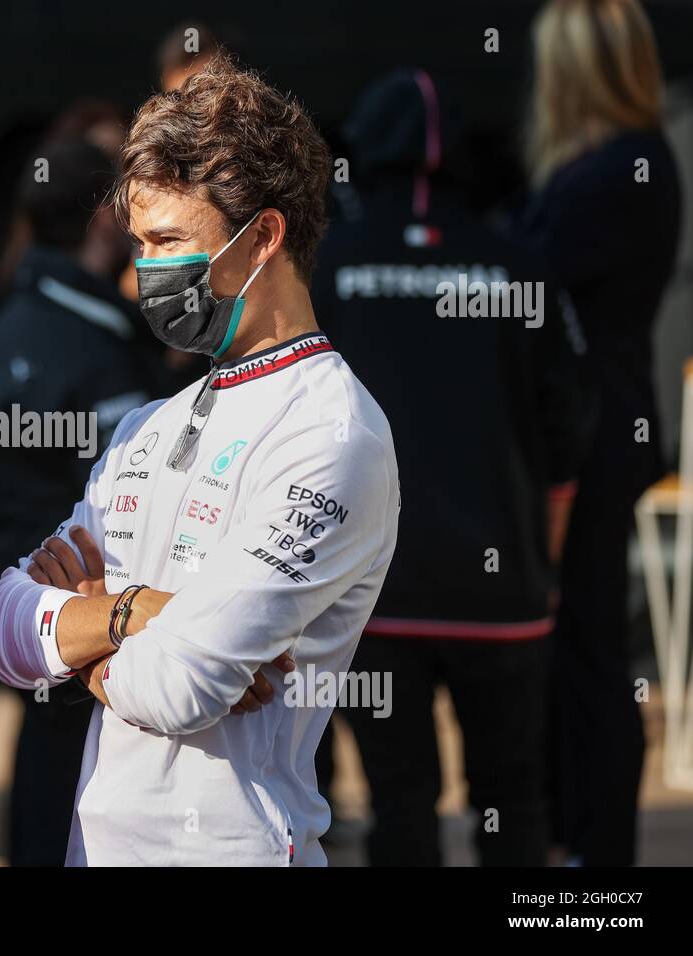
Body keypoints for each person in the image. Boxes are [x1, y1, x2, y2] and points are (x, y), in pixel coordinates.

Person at [0, 58, 400, 866]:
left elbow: (181, 689)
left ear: (265, 237)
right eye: (138, 244)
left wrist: (83, 633)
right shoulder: (145, 422)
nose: (145, 276)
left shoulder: (333, 431)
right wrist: (139, 615)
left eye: (169, 241)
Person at [310, 70, 591, 866]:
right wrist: (545, 561)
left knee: (401, 804)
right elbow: (570, 425)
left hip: (373, 590)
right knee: (514, 800)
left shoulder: (329, 266)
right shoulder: (520, 265)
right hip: (502, 595)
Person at [0, 138, 169, 866]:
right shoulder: (92, 348)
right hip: (67, 616)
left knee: (45, 770)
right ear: (106, 226)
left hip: (8, 606)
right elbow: (140, 519)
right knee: (66, 781)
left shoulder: (6, 326)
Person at [519, 0, 682, 867]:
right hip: (595, 428)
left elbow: (531, 276)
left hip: (597, 437)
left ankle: (597, 851)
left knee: (589, 649)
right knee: (579, 646)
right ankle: (577, 837)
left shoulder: (621, 170)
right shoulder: (611, 164)